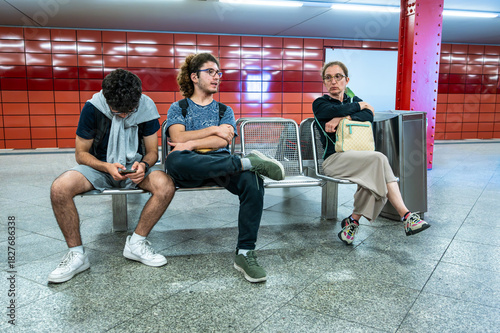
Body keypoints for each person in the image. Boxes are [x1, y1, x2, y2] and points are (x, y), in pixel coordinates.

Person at [165, 53, 285, 283]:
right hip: (191, 169)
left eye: (218, 73)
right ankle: (247, 162)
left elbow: (222, 142)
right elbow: (177, 137)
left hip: (222, 170)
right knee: (174, 161)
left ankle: (245, 252)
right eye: (210, 72)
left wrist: (191, 142)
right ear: (193, 77)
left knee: (253, 180)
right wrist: (211, 131)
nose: (217, 77)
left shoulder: (224, 110)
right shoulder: (178, 107)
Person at [48, 69, 175, 283]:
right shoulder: (92, 108)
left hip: (135, 167)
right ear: (107, 99)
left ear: (138, 100)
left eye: (130, 110)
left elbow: (153, 151)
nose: (124, 115)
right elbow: (81, 154)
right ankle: (77, 254)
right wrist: (106, 167)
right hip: (100, 166)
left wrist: (143, 165)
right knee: (59, 188)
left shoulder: (146, 106)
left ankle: (136, 243)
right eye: (118, 111)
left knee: (166, 186)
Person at [312, 61, 430, 245]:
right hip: (334, 160)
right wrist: (360, 106)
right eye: (328, 77)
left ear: (346, 80)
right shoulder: (320, 103)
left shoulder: (353, 100)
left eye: (338, 76)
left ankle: (353, 222)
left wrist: (344, 117)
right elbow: (337, 109)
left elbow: (369, 115)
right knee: (379, 159)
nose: (333, 81)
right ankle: (406, 216)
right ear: (324, 82)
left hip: (359, 159)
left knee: (375, 172)